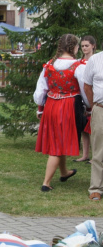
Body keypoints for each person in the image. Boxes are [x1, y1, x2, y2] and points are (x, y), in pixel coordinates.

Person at [34, 34, 86, 192]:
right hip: (68, 105)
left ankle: (64, 172)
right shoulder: (78, 66)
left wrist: (40, 107)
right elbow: (84, 89)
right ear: (74, 47)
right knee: (58, 145)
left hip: (51, 105)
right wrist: (88, 107)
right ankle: (46, 183)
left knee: (59, 140)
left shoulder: (50, 64)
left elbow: (40, 89)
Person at [84, 39, 103, 201]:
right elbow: (87, 86)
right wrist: (94, 106)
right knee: (98, 150)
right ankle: (96, 188)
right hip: (101, 110)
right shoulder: (95, 60)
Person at [74, 35, 97, 163]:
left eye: (87, 46)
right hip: (83, 99)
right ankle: (85, 154)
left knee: (95, 129)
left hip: (95, 99)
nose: (84, 48)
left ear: (93, 46)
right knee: (84, 128)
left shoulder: (97, 61)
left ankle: (96, 156)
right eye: (82, 46)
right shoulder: (78, 63)